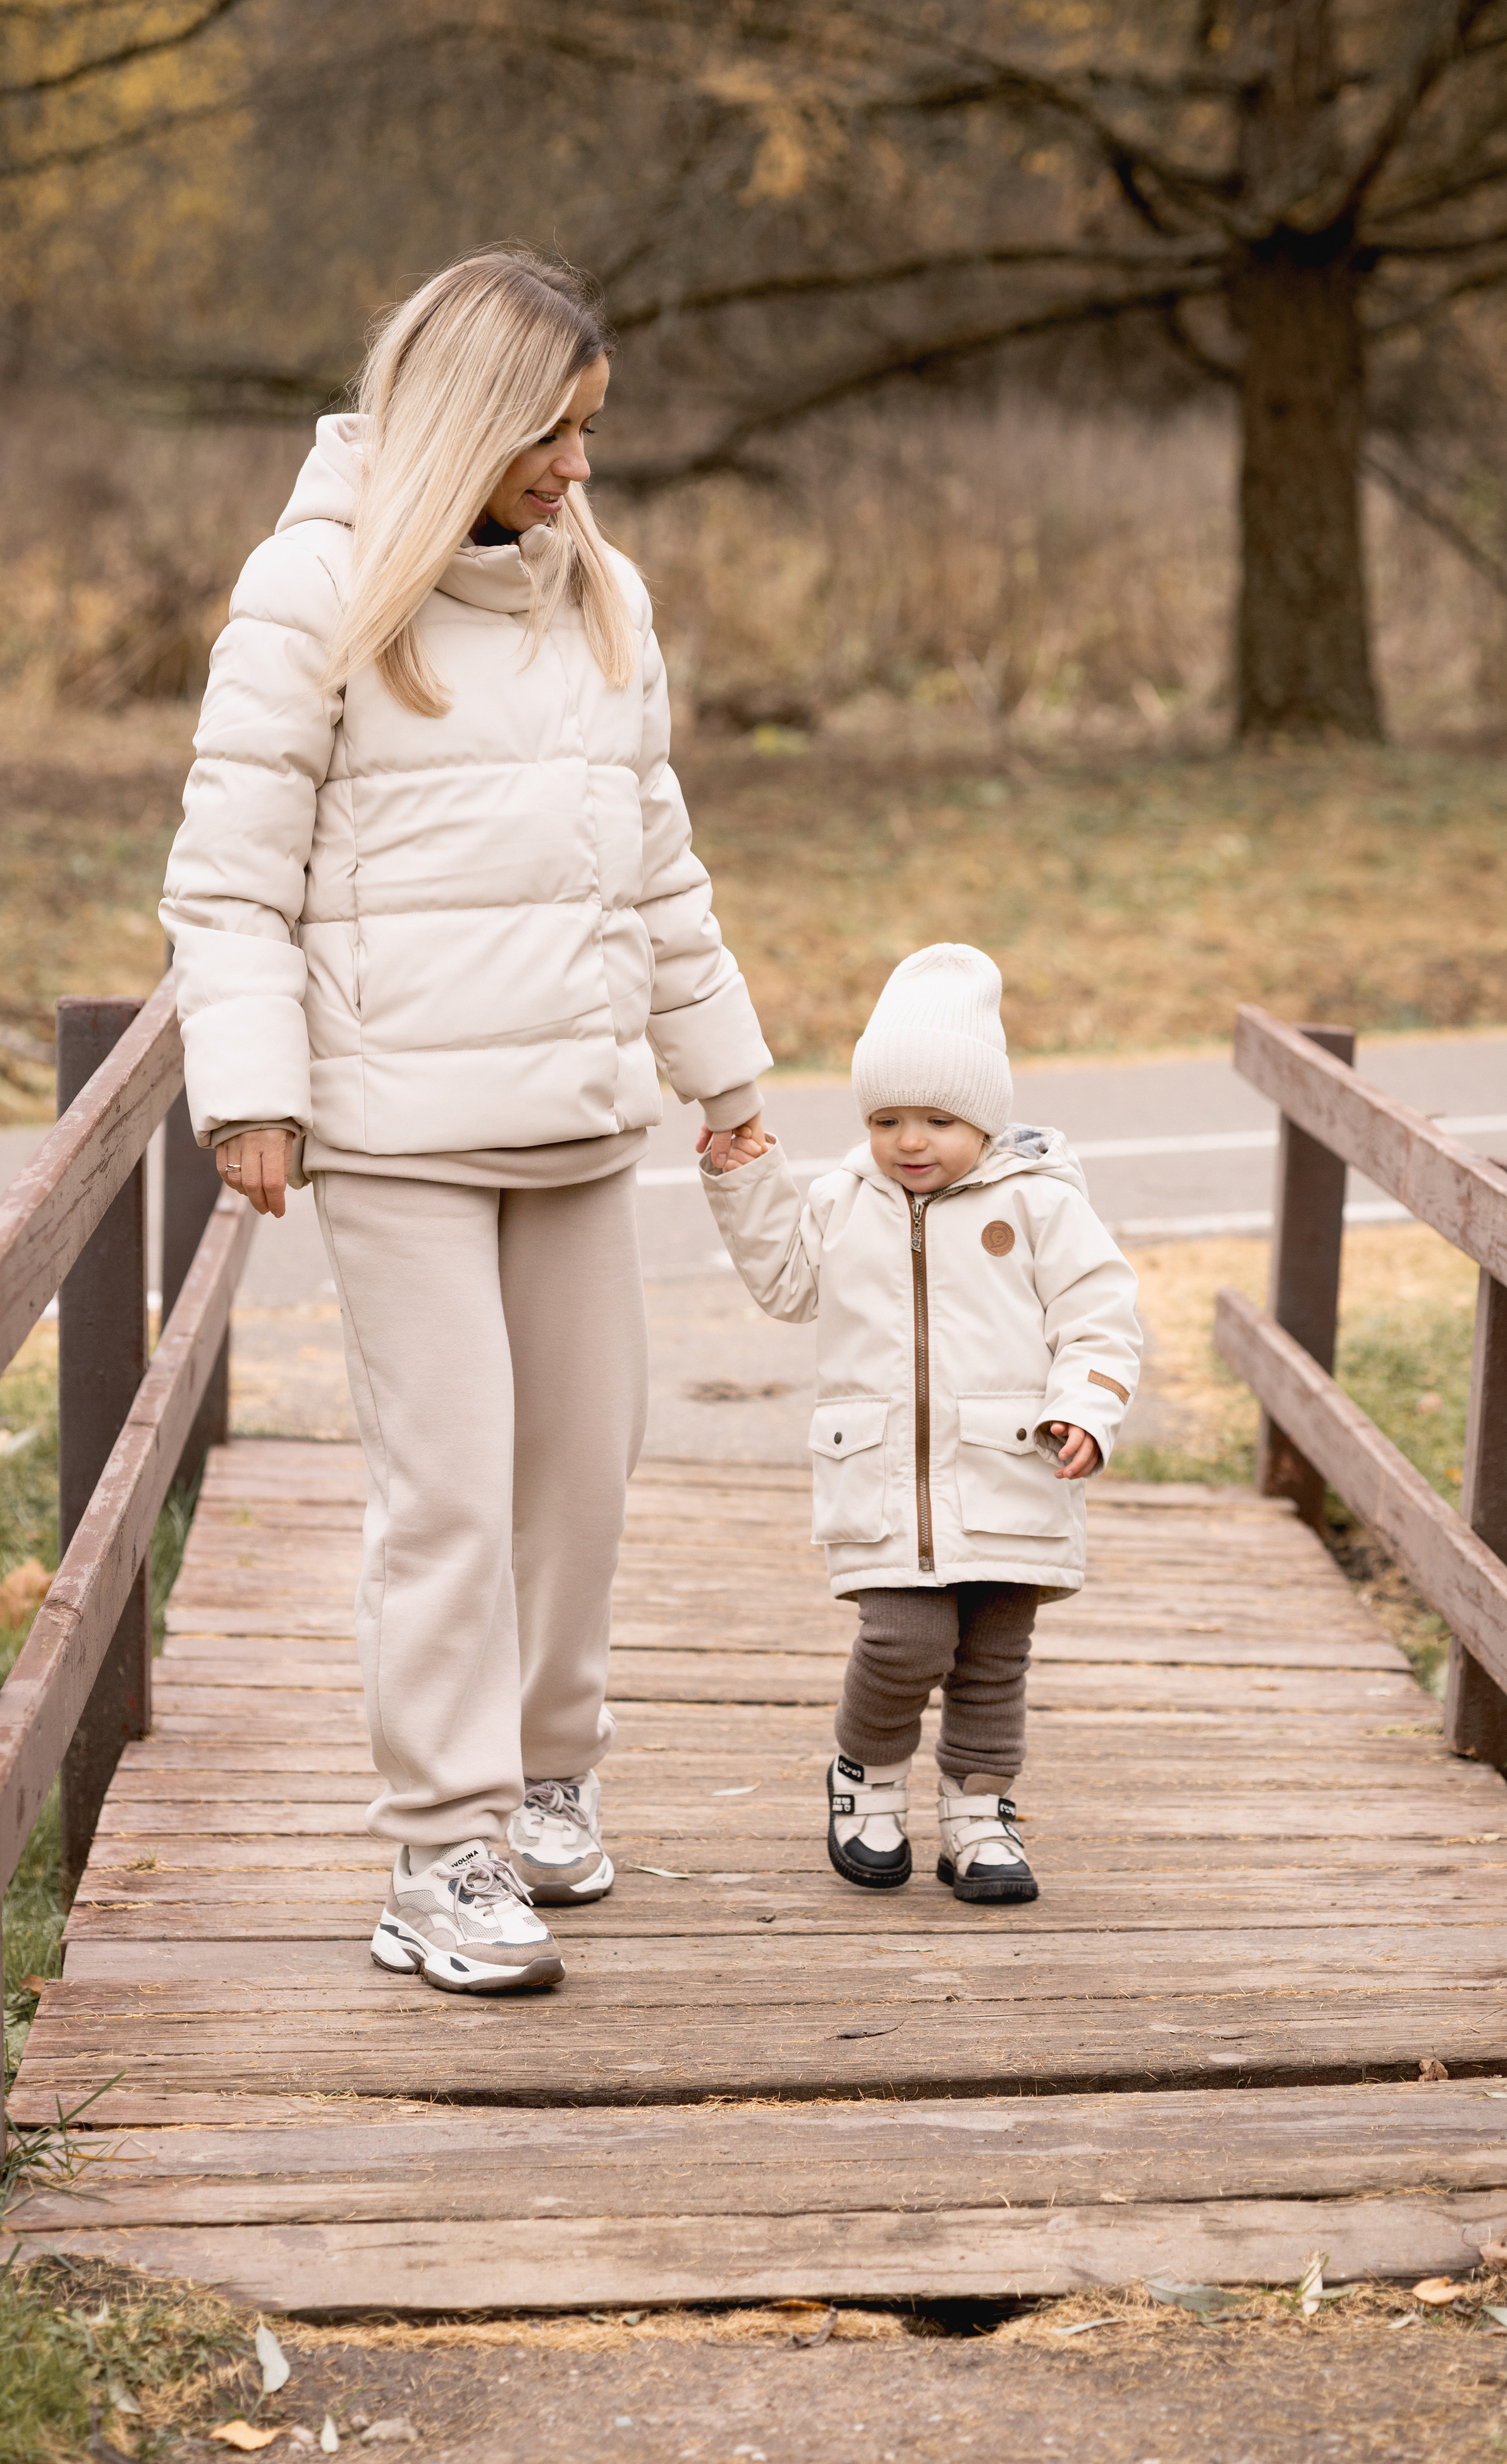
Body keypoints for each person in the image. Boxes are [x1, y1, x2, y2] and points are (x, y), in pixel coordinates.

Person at [160, 251, 771, 1994]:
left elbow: (657, 863)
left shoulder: (605, 598)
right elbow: (226, 876)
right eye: (551, 435)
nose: (578, 468)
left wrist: (725, 1081)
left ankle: (550, 1769)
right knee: (447, 1495)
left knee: (581, 1475)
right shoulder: (314, 589)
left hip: (582, 1117)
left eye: (590, 434)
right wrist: (252, 1093)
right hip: (400, 1126)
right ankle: (440, 1847)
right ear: (468, 422)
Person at [702, 944, 1140, 1903]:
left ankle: (979, 1811)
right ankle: (867, 1773)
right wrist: (747, 1181)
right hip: (887, 1482)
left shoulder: (1040, 1202)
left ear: (984, 1118)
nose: (910, 1140)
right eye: (888, 1118)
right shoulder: (843, 1201)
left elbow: (1100, 1314)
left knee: (992, 1658)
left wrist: (1086, 1406)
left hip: (1012, 1471)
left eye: (939, 1120)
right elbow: (785, 1284)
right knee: (904, 1639)